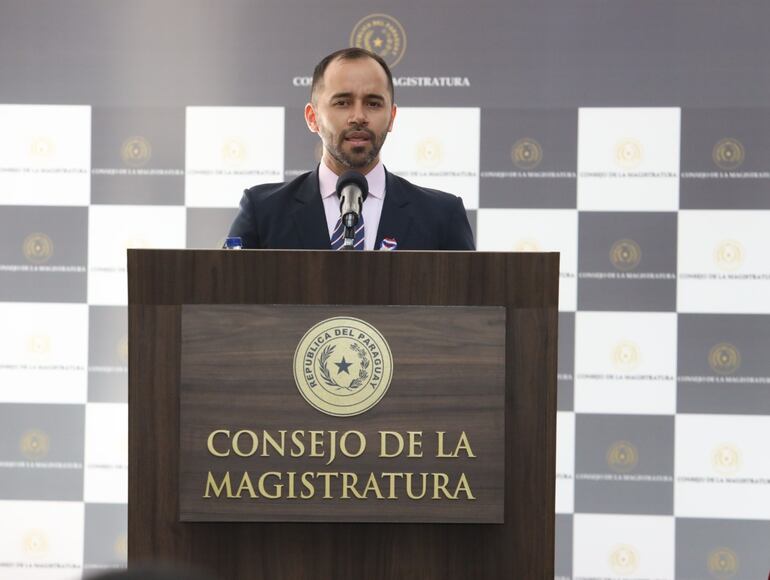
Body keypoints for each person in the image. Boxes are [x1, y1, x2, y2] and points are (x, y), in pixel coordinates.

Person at [227, 48, 475, 250]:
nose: (359, 116)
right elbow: (226, 306)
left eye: (373, 103)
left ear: (391, 117)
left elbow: (470, 310)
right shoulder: (263, 212)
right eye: (343, 102)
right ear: (312, 118)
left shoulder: (442, 216)